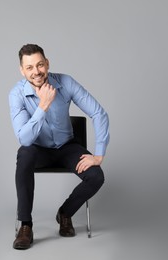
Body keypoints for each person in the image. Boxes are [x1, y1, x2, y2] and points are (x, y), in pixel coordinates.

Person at [9, 44, 110, 250]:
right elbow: (25, 139)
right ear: (22, 70)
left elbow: (99, 113)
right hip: (38, 150)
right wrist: (43, 105)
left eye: (39, 65)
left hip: (67, 147)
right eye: (29, 67)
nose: (36, 71)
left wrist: (98, 154)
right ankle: (25, 225)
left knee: (96, 176)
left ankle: (65, 213)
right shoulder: (16, 94)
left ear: (47, 63)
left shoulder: (65, 82)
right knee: (24, 154)